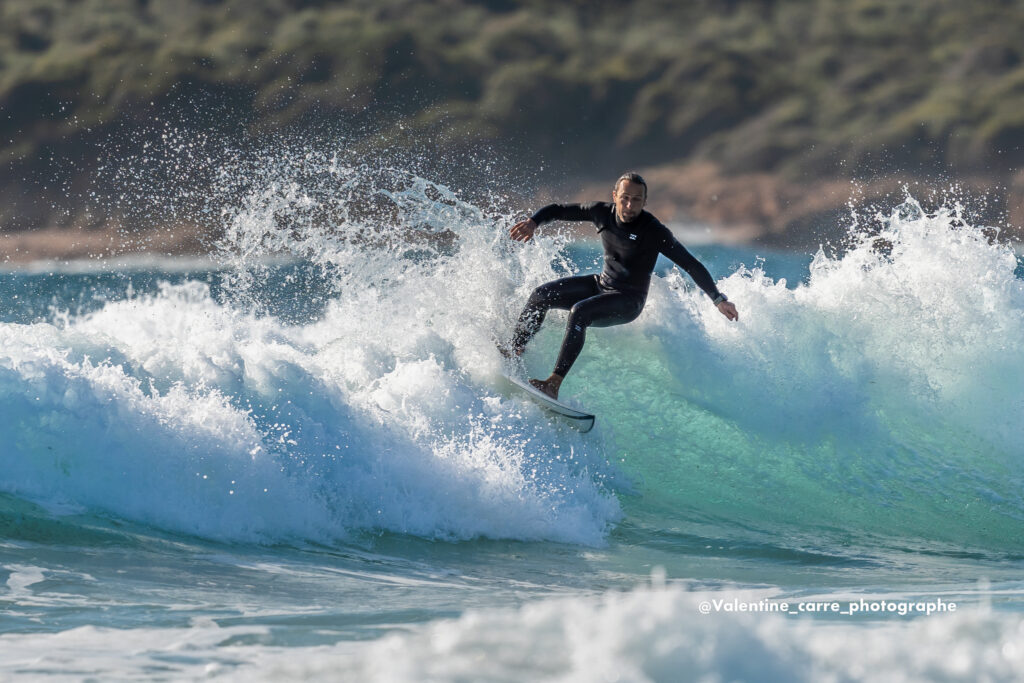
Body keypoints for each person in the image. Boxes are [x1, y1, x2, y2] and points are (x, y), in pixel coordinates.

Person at [502, 172, 739, 399]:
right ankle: (515, 351)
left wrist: (718, 299)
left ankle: (553, 383)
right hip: (601, 284)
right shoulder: (601, 212)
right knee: (541, 294)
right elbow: (558, 210)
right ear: (614, 196)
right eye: (624, 198)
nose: (629, 205)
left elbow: (691, 264)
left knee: (580, 312)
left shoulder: (654, 231)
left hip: (629, 300)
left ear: (644, 201)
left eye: (636, 200)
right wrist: (534, 222)